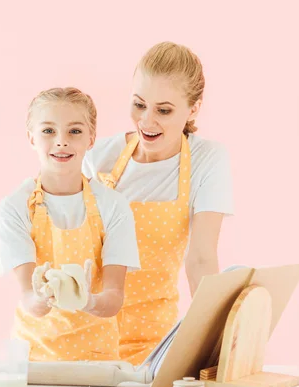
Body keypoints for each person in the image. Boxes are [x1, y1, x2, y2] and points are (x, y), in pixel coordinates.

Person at [83, 42, 234, 365]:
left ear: (193, 109)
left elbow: (201, 259)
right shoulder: (98, 158)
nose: (147, 121)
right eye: (139, 104)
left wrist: (215, 342)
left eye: (164, 110)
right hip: (85, 336)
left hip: (154, 342)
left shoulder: (207, 160)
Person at [0, 87, 141, 361]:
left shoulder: (113, 206)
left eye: (74, 131)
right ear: (31, 138)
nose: (61, 142)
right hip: (33, 360)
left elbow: (114, 298)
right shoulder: (14, 208)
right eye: (48, 131)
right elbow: (27, 298)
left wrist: (89, 301)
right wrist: (41, 298)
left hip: (97, 361)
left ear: (91, 138)